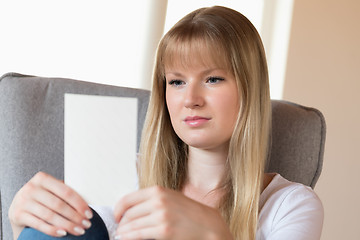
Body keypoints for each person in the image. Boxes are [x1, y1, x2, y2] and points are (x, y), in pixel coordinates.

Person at [8, 5, 324, 240]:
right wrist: (21, 225)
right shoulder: (121, 174)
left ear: (249, 89)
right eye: (176, 82)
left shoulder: (288, 205)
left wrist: (215, 234)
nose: (190, 99)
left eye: (213, 79)